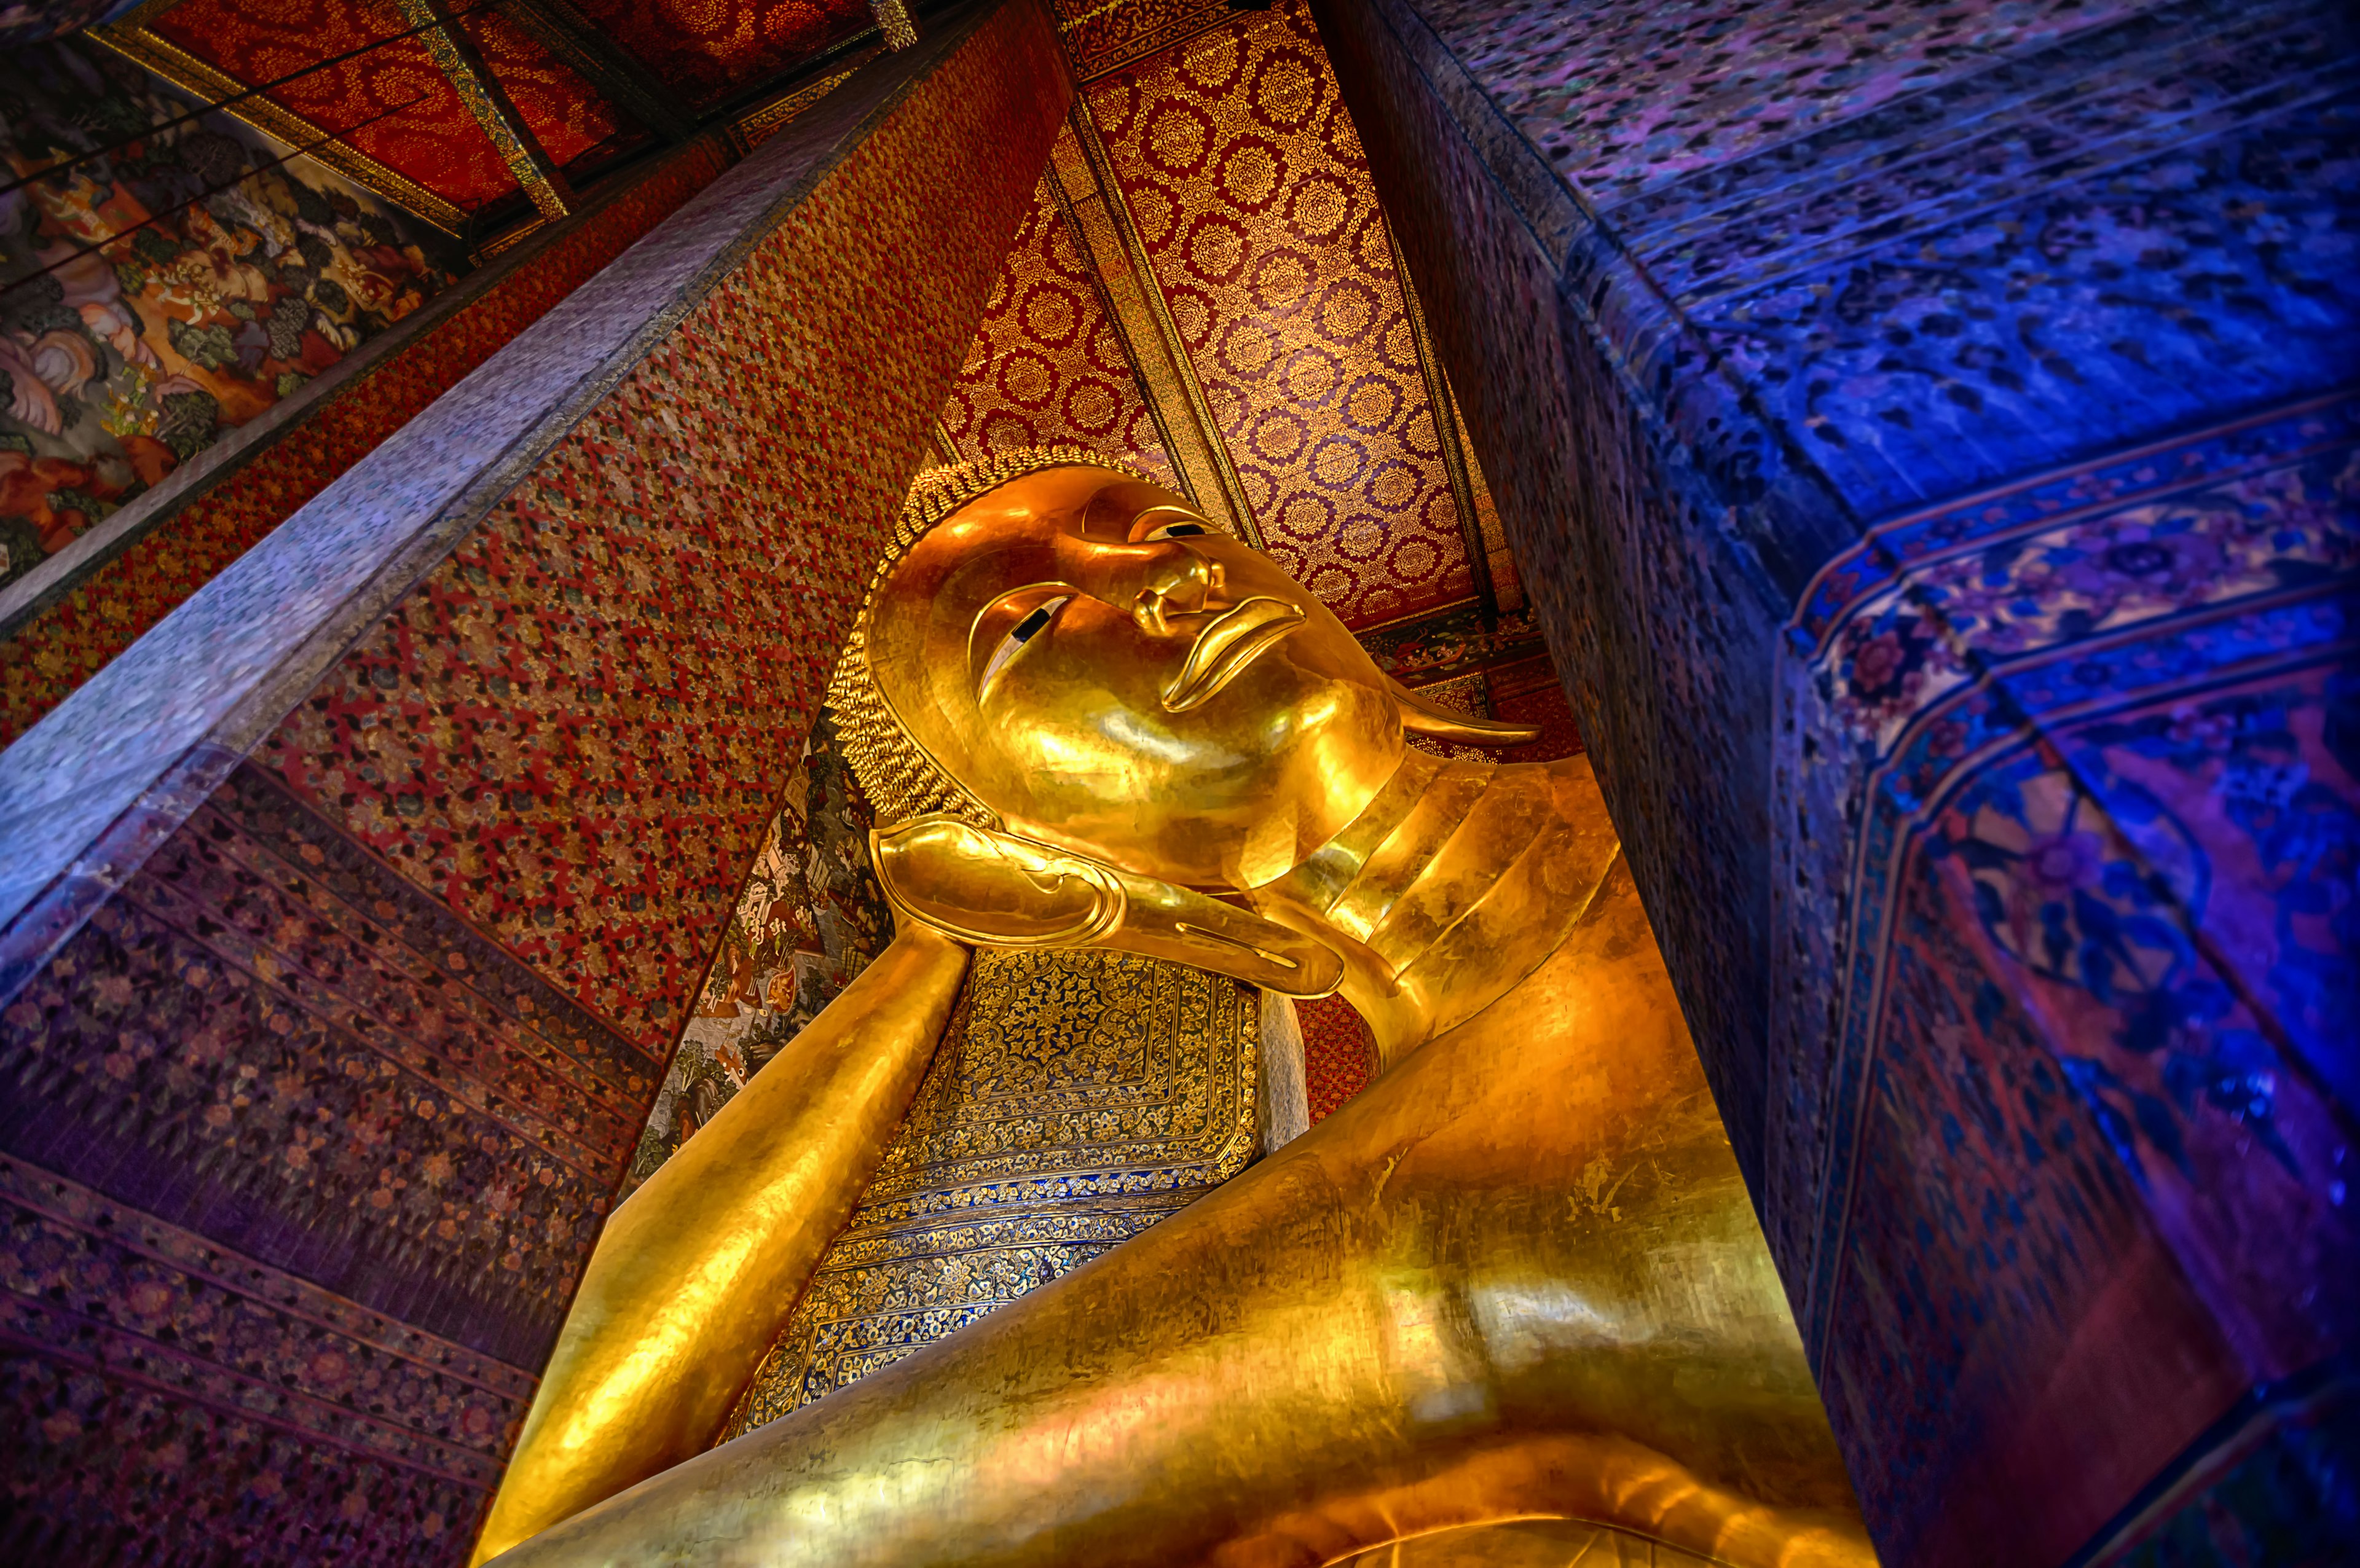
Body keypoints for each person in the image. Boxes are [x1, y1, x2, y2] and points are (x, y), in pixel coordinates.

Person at [473, 449, 1874, 1567]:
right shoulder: (1395, 1245)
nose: (1164, 582)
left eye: (1168, 529)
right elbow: (516, 1526)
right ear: (1035, 845)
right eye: (1027, 626)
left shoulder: (1750, 706)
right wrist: (919, 968)